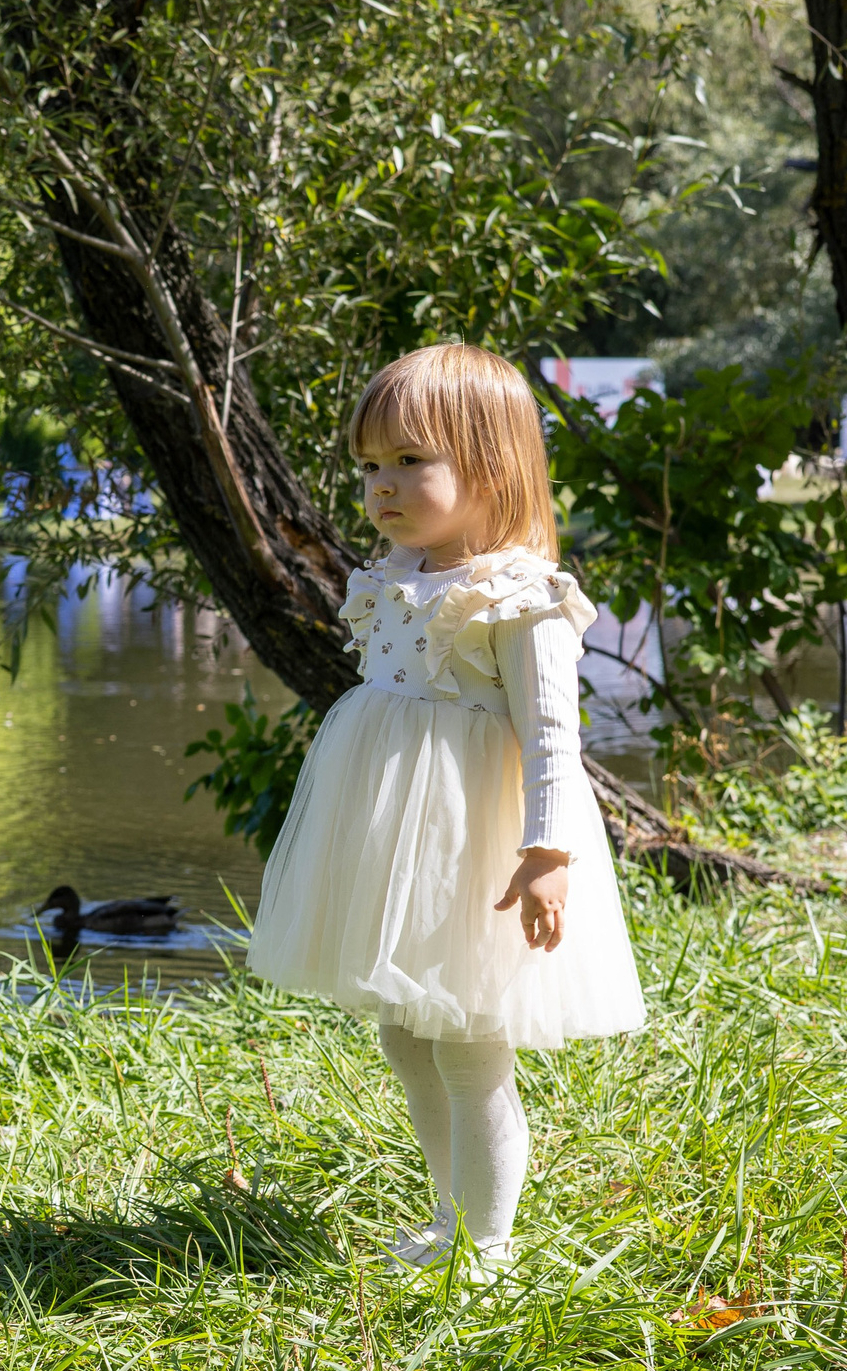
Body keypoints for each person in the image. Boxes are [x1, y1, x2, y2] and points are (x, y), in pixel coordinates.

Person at [246, 343, 643, 1276]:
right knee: (404, 1029)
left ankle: (488, 1245)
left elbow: (553, 738)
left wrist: (546, 851)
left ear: (490, 466)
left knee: (469, 1041)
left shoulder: (521, 595)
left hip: (480, 841)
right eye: (370, 467)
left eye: (409, 460)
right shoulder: (394, 575)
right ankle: (447, 1214)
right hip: (402, 838)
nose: (382, 486)